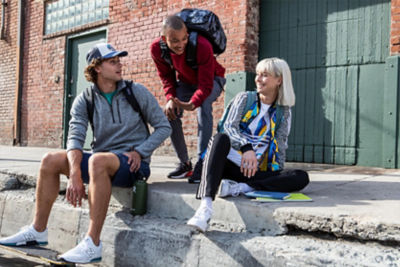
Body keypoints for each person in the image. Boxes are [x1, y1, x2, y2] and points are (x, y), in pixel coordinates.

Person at [0, 43, 171, 264]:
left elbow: (164, 127)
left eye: (119, 60)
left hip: (132, 164)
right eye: (113, 61)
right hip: (100, 163)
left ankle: (93, 243)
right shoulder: (85, 99)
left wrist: (141, 151)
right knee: (50, 160)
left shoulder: (136, 92)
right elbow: (75, 138)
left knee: (97, 160)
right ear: (97, 68)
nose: (119, 65)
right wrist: (74, 174)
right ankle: (38, 230)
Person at [187, 58, 310, 232]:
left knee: (300, 176)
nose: (258, 79)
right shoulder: (245, 98)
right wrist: (246, 148)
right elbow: (228, 127)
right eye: (258, 75)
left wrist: (274, 175)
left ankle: (240, 188)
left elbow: (280, 145)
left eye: (264, 75)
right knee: (219, 139)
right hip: (228, 164)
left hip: (254, 170)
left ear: (279, 80)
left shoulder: (284, 112)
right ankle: (205, 208)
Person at [150, 14, 226, 183]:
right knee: (169, 113)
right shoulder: (157, 49)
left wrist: (193, 103)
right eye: (175, 41)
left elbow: (206, 86)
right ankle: (185, 164)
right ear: (164, 38)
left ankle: (203, 162)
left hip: (213, 79)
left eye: (184, 38)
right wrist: (171, 98)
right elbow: (166, 77)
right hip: (186, 82)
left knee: (204, 104)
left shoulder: (202, 45)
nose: (181, 44)